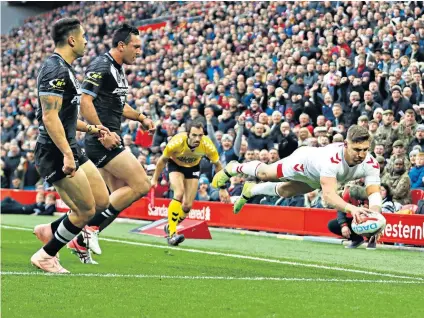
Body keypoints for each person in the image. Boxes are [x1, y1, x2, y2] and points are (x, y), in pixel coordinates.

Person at [30, 18, 111, 273]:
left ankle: (50, 230)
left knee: (101, 200)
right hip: (55, 150)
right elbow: (49, 117)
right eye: (84, 36)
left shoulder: (66, 68)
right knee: (85, 210)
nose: (87, 41)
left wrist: (91, 128)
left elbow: (65, 117)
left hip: (70, 145)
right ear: (72, 39)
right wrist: (67, 154)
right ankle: (45, 256)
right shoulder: (54, 69)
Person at [69, 24, 154, 263]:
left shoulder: (118, 70)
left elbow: (117, 105)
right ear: (121, 45)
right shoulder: (102, 65)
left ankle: (72, 238)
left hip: (110, 137)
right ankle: (89, 230)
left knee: (112, 200)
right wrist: (100, 132)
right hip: (103, 140)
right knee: (141, 185)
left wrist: (140, 117)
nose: (139, 51)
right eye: (136, 47)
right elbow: (84, 102)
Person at [213, 125, 382, 224]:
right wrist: (353, 209)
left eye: (365, 150)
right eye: (357, 149)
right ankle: (234, 168)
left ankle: (251, 190)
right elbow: (329, 195)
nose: (361, 154)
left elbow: (374, 193)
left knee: (286, 191)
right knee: (266, 173)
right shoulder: (333, 160)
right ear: (346, 144)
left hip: (317, 177)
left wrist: (375, 217)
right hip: (302, 163)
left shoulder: (370, 163)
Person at [151, 122, 230, 246]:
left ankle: (170, 225)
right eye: (194, 135)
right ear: (188, 134)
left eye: (200, 135)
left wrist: (223, 188)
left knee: (187, 206)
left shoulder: (207, 144)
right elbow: (162, 160)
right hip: (175, 165)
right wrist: (154, 179)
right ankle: (172, 234)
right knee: (179, 193)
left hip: (193, 168)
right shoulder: (176, 142)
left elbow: (218, 165)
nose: (198, 139)